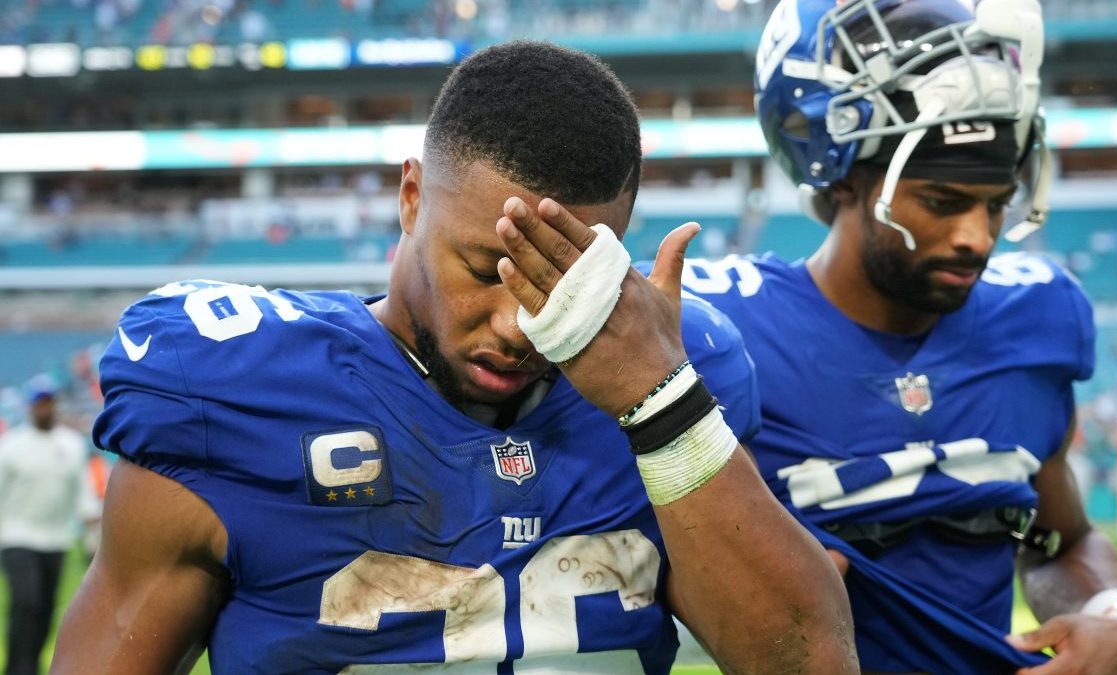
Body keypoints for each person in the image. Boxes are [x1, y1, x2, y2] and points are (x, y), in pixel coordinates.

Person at [52, 41, 855, 673]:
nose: (517, 326)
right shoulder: (229, 389)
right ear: (410, 198)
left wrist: (664, 407)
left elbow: (807, 661)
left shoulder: (675, 373)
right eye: (483, 269)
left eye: (558, 284)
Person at [682, 0, 1117, 673]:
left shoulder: (1037, 320)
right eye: (942, 200)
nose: (977, 236)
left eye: (996, 202)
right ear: (842, 175)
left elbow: (1058, 540)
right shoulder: (725, 331)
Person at [0, 378, 99, 675]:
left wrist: (94, 517)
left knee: (44, 608)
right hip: (17, 536)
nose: (45, 408)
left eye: (50, 401)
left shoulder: (70, 445)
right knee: (26, 602)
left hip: (56, 540)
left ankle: (31, 665)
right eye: (40, 402)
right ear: (32, 406)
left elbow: (82, 493)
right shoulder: (11, 446)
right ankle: (18, 667)